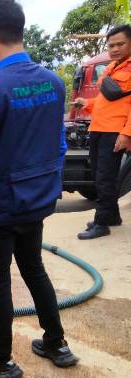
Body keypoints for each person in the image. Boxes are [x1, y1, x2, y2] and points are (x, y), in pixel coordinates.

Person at [0, 0, 78, 378]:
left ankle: (0, 359)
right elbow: (58, 146)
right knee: (34, 268)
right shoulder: (53, 82)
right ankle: (56, 343)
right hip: (35, 203)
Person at [73, 24, 131, 239]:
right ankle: (112, 216)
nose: (115, 49)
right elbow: (105, 100)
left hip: (115, 131)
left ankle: (101, 224)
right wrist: (85, 103)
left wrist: (127, 133)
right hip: (99, 127)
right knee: (99, 175)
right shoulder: (113, 67)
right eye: (111, 45)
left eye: (120, 44)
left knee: (105, 178)